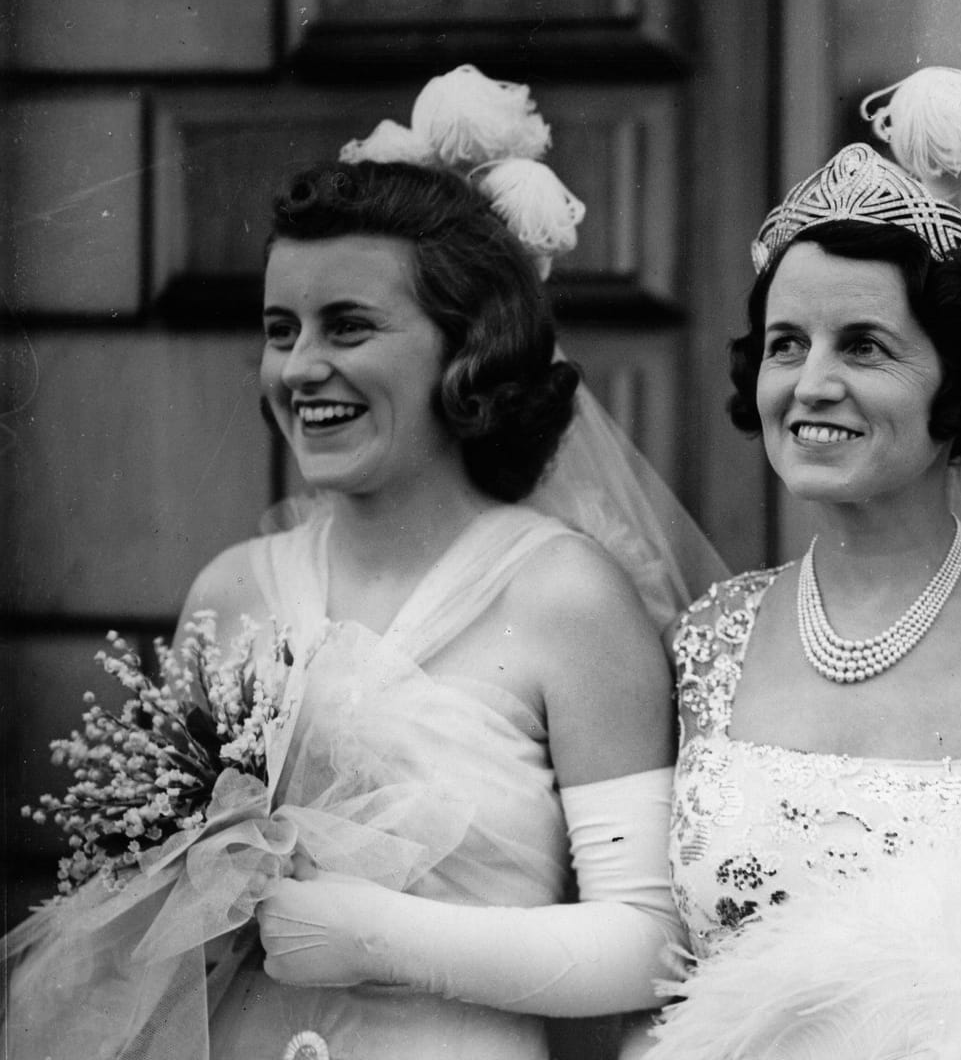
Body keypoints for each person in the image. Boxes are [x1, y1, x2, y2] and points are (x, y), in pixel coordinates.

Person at [4, 67, 728, 1060]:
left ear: (466, 349)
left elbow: (647, 945)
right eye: (280, 331)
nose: (302, 368)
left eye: (350, 326)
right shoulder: (231, 590)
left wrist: (378, 939)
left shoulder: (565, 598)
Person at [645, 71, 961, 1056]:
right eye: (786, 343)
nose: (813, 383)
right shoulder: (709, 636)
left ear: (957, 389)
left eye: (867, 346)